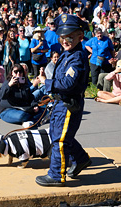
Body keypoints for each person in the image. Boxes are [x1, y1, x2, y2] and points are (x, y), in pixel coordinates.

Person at [36, 14, 91, 187]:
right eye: (62, 37)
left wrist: (47, 82)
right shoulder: (68, 53)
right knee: (59, 134)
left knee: (60, 139)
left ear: (80, 37)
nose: (65, 40)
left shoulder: (77, 57)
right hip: (61, 102)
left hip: (68, 104)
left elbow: (67, 83)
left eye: (70, 37)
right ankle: (80, 159)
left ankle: (56, 175)